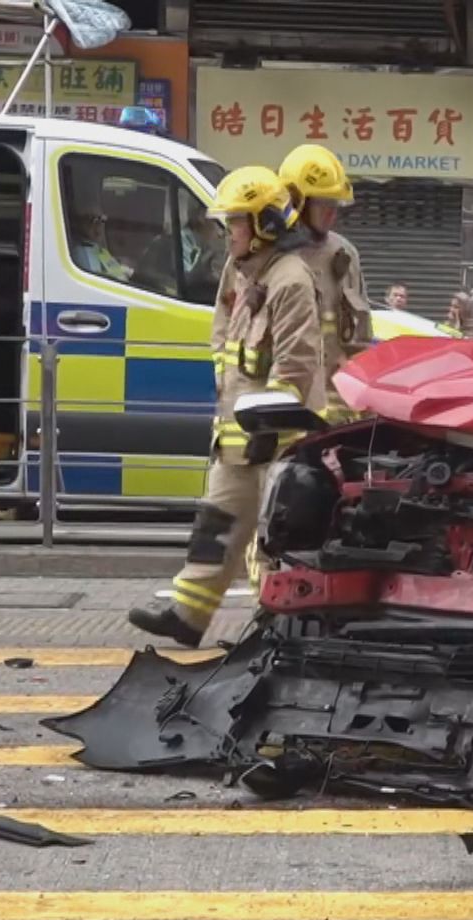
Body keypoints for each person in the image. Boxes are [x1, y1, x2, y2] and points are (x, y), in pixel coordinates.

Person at [127, 166, 326, 648]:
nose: (226, 231)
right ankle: (189, 615)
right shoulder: (240, 273)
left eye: (235, 222)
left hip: (275, 441)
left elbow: (296, 364)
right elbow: (223, 340)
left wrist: (267, 425)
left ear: (265, 225)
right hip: (237, 436)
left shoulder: (291, 280)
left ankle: (274, 628)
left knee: (269, 542)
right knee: (217, 523)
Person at [279, 143, 372, 424]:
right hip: (288, 413)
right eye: (323, 204)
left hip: (336, 418)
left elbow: (361, 338)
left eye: (336, 205)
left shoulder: (344, 255)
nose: (332, 213)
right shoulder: (267, 257)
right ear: (297, 203)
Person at [69, 208, 131, 281]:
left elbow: (119, 275)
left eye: (101, 220)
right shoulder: (81, 252)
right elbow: (93, 281)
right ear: (79, 222)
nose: (98, 225)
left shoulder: (100, 250)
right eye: (91, 220)